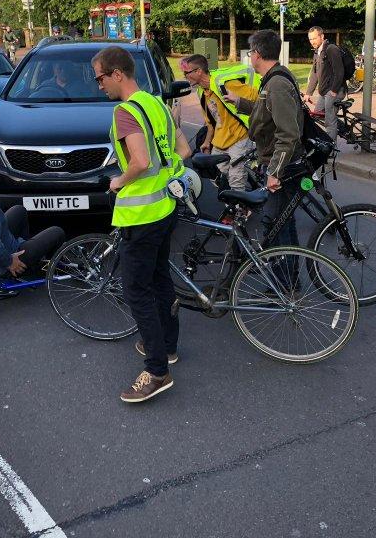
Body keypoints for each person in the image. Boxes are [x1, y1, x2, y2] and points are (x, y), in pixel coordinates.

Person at [91, 45, 191, 403]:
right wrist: (166, 177)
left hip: (141, 215)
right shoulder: (157, 104)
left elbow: (141, 161)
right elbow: (183, 152)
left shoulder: (125, 112)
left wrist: (119, 181)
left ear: (118, 74)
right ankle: (168, 345)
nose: (99, 84)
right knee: (160, 277)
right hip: (165, 208)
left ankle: (158, 370)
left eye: (100, 77)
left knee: (137, 290)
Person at [224, 30, 303, 247]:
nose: (250, 57)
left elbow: (288, 133)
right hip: (277, 161)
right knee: (283, 221)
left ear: (257, 54)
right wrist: (239, 102)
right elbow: (266, 112)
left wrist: (275, 173)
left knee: (275, 222)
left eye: (251, 53)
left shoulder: (276, 85)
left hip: (282, 166)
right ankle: (287, 271)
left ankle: (283, 274)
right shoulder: (273, 79)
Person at [180, 54, 260, 191]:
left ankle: (241, 210)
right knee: (215, 175)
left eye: (186, 73)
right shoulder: (201, 91)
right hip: (221, 139)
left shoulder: (226, 84)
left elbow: (258, 97)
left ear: (198, 71)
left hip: (240, 137)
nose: (184, 76)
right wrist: (207, 142)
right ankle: (239, 201)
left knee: (236, 182)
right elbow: (211, 122)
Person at [305, 26, 345, 141]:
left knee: (329, 122)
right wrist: (308, 93)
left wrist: (334, 90)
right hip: (324, 91)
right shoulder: (317, 52)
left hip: (334, 91)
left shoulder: (331, 49)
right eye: (310, 39)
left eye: (314, 38)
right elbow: (314, 73)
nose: (312, 41)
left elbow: (339, 71)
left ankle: (331, 151)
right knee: (317, 115)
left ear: (322, 36)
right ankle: (339, 125)